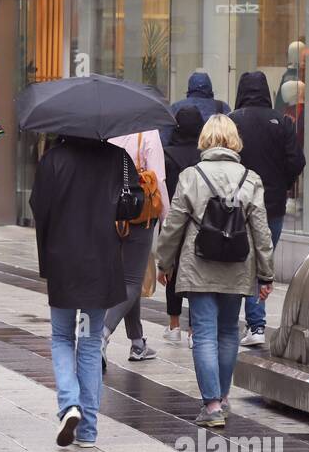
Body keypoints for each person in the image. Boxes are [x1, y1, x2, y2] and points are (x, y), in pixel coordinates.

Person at [154, 115, 275, 428]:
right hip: (238, 265)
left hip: (199, 264)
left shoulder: (191, 176)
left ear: (205, 140)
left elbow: (174, 225)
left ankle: (211, 406)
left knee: (205, 332)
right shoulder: (250, 178)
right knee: (227, 332)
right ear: (234, 140)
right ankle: (221, 398)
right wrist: (266, 274)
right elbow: (261, 230)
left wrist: (164, 262)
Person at [30, 135, 131, 448]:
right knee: (89, 341)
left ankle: (69, 403)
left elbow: (39, 207)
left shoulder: (54, 159)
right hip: (100, 263)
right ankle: (87, 430)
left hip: (63, 262)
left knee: (62, 337)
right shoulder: (118, 157)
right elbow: (132, 206)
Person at [230, 70, 305, 346]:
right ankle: (257, 324)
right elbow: (297, 161)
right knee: (263, 260)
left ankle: (240, 321)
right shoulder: (282, 122)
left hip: (236, 204)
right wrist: (282, 183)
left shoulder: (231, 121)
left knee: (239, 261)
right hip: (272, 204)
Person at [103, 127, 167, 364]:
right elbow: (158, 180)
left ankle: (137, 342)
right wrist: (166, 220)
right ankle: (103, 333)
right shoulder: (149, 134)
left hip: (113, 212)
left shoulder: (110, 133)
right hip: (140, 214)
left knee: (130, 275)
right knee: (132, 280)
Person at [160, 105, 204, 345]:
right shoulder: (203, 155)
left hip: (175, 218)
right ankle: (193, 329)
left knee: (172, 271)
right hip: (200, 221)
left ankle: (174, 324)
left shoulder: (167, 154)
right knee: (197, 271)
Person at [167, 70, 230, 141]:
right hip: (213, 149)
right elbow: (229, 134)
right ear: (210, 87)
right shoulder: (222, 107)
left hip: (184, 149)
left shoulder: (176, 107)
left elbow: (169, 134)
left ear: (189, 87)